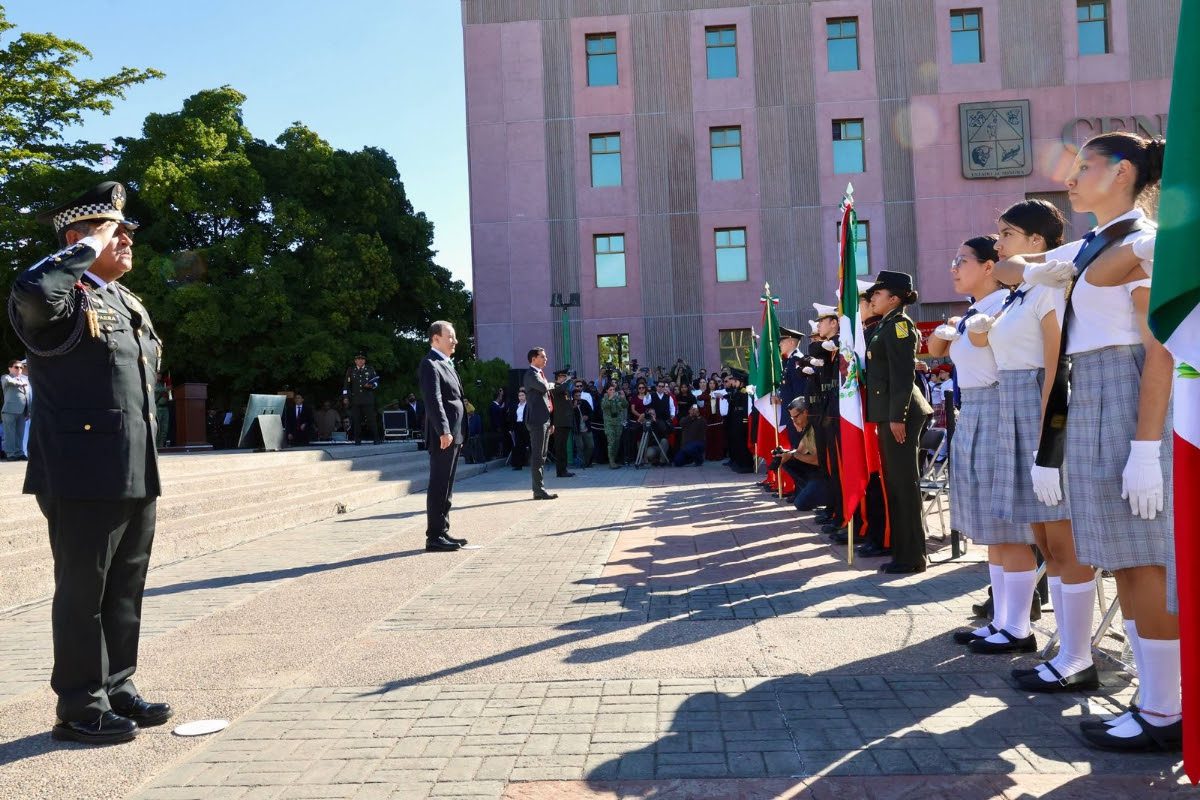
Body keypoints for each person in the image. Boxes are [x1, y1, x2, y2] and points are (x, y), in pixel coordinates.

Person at [994, 132, 1178, 750]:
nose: (1069, 180)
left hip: (1128, 398)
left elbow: (1161, 350)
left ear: (1123, 172)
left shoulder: (1144, 243)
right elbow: (1023, 268)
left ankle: (1166, 710)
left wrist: (1147, 447)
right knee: (1123, 557)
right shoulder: (1095, 245)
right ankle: (1152, 700)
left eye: (1084, 168)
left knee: (1147, 557)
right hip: (1091, 398)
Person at [10, 181, 170, 744]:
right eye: (114, 230)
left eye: (125, 230)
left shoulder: (125, 302)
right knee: (83, 591)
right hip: (79, 471)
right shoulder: (57, 296)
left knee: (125, 586)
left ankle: (117, 685)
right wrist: (84, 245)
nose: (126, 239)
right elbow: (30, 287)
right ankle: (78, 706)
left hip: (133, 466)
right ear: (77, 239)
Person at [932, 235, 1038, 655]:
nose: (955, 268)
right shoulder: (976, 310)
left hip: (998, 405)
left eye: (962, 260)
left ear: (991, 266)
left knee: (1009, 525)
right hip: (975, 409)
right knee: (993, 527)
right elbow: (934, 349)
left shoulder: (1005, 307)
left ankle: (1018, 626)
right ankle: (1001, 620)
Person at [862, 271, 932, 574]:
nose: (873, 298)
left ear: (895, 298)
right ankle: (903, 552)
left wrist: (896, 417)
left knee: (904, 485)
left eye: (878, 293)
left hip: (899, 414)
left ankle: (912, 556)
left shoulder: (900, 326)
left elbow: (904, 376)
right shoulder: (885, 326)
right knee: (895, 484)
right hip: (888, 413)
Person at [417, 321, 467, 552]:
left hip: (453, 433)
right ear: (436, 338)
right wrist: (444, 430)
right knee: (438, 484)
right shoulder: (430, 364)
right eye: (451, 337)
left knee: (447, 485)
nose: (455, 341)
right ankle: (434, 536)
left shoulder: (446, 363)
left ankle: (442, 530)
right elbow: (434, 400)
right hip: (443, 435)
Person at [523, 348, 557, 500]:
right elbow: (543, 387)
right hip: (537, 421)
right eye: (542, 356)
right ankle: (539, 490)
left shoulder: (539, 375)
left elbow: (547, 397)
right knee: (537, 456)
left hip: (544, 420)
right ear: (533, 359)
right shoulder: (531, 374)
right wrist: (551, 384)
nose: (546, 359)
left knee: (542, 455)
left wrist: (551, 422)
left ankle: (539, 489)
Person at [343, 353, 380, 445]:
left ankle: (376, 439)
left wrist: (371, 386)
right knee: (356, 420)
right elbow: (346, 385)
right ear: (355, 361)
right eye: (358, 359)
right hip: (355, 400)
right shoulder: (351, 370)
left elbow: (376, 382)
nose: (360, 361)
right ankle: (357, 440)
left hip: (368, 399)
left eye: (362, 359)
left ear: (364, 361)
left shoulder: (370, 369)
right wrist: (345, 397)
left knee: (371, 420)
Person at [724, 370, 752, 473]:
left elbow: (745, 408)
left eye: (735, 381)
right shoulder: (737, 391)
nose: (733, 383)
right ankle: (740, 463)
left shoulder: (745, 391)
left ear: (741, 381)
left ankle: (746, 465)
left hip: (742, 420)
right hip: (736, 420)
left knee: (742, 442)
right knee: (737, 442)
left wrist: (745, 420)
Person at [2, 359, 30, 460]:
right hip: (9, 410)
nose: (19, 369)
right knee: (9, 433)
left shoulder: (25, 380)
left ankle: (19, 452)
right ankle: (10, 454)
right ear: (10, 368)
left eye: (21, 367)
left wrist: (29, 410)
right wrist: (19, 384)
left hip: (22, 411)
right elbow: (9, 381)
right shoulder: (6, 377)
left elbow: (27, 396)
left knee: (20, 433)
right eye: (16, 367)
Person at [550, 369, 575, 477]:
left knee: (563, 447)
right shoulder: (555, 387)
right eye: (563, 377)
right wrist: (568, 381)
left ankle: (563, 469)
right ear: (558, 378)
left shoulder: (564, 388)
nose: (565, 378)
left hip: (566, 421)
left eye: (565, 376)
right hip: (559, 422)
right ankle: (560, 471)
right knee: (560, 447)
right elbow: (562, 389)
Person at [600, 383, 628, 468]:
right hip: (609, 424)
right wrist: (610, 398)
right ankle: (611, 462)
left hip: (618, 423)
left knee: (617, 442)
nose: (612, 391)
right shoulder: (605, 398)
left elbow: (625, 405)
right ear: (607, 391)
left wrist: (623, 398)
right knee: (611, 442)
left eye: (613, 390)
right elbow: (604, 406)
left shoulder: (618, 397)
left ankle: (614, 459)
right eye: (610, 390)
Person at [571, 388, 595, 468]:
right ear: (573, 396)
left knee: (590, 446)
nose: (578, 397)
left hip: (586, 428)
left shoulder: (584, 402)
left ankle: (587, 462)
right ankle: (582, 463)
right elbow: (568, 415)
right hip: (577, 429)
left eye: (579, 395)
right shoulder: (570, 404)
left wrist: (587, 416)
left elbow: (592, 412)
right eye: (576, 396)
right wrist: (573, 407)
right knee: (580, 446)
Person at [509, 388, 531, 469]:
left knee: (529, 444)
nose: (521, 397)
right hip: (518, 426)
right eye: (519, 396)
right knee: (518, 445)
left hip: (526, 426)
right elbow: (513, 418)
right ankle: (518, 465)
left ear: (526, 396)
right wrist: (511, 429)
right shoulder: (516, 406)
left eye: (522, 395)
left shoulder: (528, 405)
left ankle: (534, 462)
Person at [489, 387, 510, 458]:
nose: (501, 398)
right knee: (499, 440)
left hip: (499, 427)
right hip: (497, 428)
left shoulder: (497, 406)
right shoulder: (494, 406)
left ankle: (501, 453)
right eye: (500, 396)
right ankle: (499, 453)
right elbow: (496, 417)